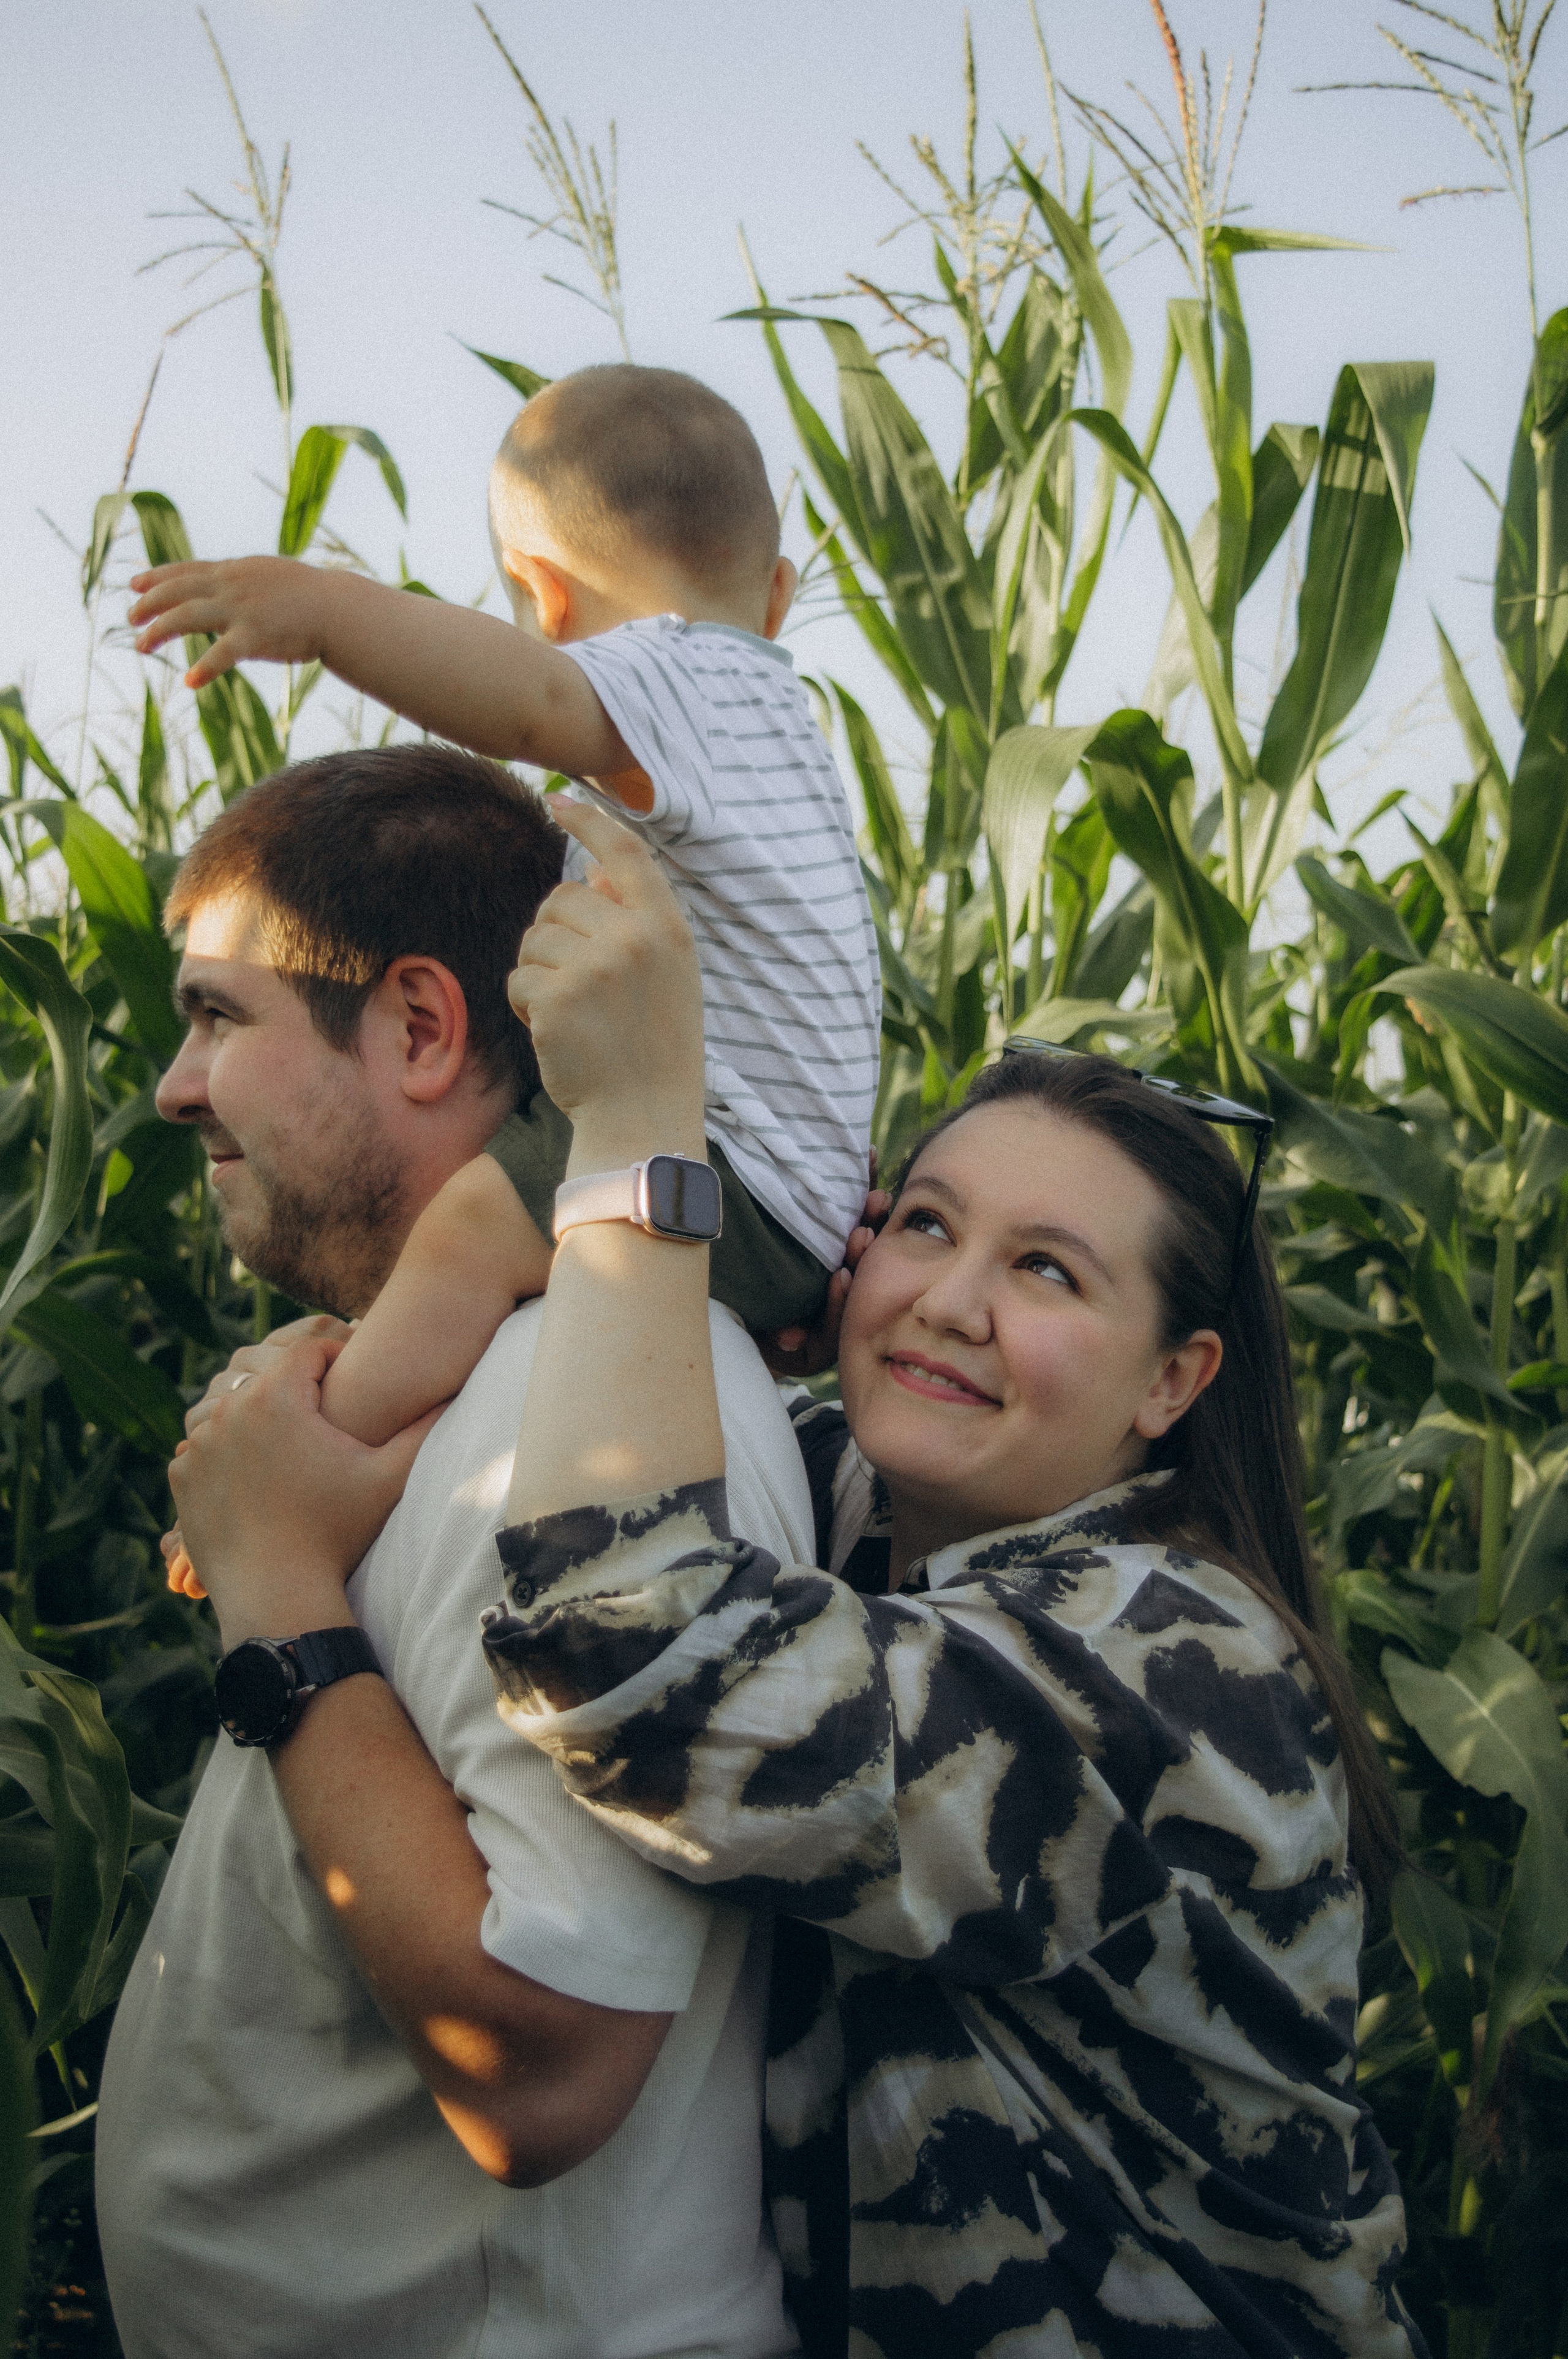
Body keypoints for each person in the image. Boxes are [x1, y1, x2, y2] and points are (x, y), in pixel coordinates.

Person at [171, 799, 1424, 2358]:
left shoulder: (1175, 1661)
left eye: (1045, 1270)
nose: (948, 1302)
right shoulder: (870, 1504)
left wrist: (634, 1147)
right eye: (921, 1225)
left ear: (1172, 1382)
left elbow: (635, 1652)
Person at [97, 745, 813, 2359]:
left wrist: (276, 1588)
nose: (171, 1083)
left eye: (218, 1015)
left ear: (421, 1027)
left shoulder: (599, 1425)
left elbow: (546, 2056)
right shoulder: (433, 1386)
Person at [126, 360, 881, 1457]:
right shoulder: (781, 734)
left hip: (721, 1167)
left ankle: (307, 1449)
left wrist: (325, 612)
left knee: (470, 1234)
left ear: (544, 596)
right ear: (777, 591)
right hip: (795, 1200)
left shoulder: (686, 681)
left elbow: (531, 703)